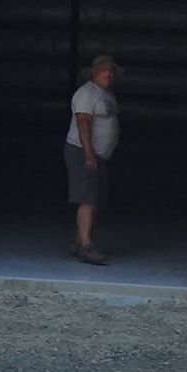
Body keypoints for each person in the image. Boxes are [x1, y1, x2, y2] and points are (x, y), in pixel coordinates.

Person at [65, 55, 121, 264]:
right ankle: (86, 247)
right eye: (104, 70)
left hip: (97, 155)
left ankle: (79, 241)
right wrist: (88, 154)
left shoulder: (105, 94)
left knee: (95, 199)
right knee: (87, 199)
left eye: (111, 71)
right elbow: (83, 123)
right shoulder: (87, 93)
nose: (109, 73)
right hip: (83, 152)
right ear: (94, 72)